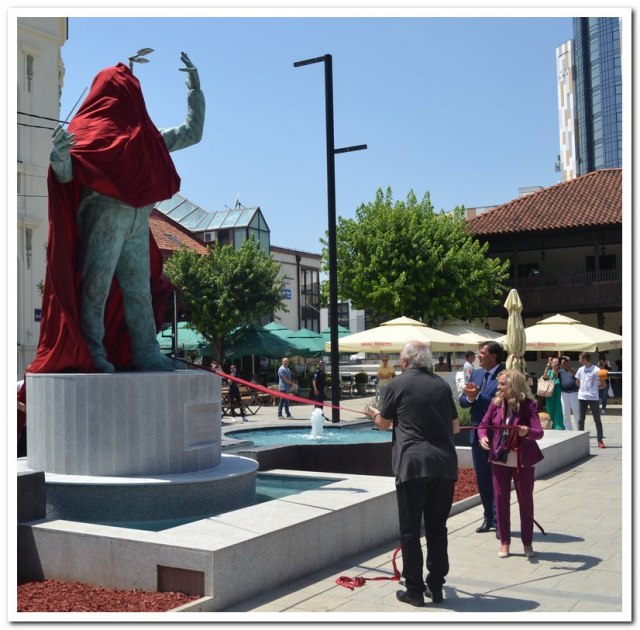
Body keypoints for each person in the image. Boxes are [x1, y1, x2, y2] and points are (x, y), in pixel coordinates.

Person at [34, 52, 204, 374]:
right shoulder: (88, 132)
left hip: (138, 221)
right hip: (104, 216)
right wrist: (59, 156)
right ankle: (93, 351)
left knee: (138, 291)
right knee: (96, 287)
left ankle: (146, 353)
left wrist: (194, 90)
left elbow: (192, 132)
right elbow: (66, 176)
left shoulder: (147, 138)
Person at [366, 341, 459, 607]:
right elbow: (455, 427)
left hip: (413, 464)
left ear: (405, 361)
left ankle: (415, 590)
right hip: (444, 465)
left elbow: (383, 424)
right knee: (437, 528)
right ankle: (436, 586)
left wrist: (374, 414)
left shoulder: (397, 384)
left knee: (410, 530)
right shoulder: (441, 385)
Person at [478, 369, 544, 559]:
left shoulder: (529, 405)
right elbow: (483, 425)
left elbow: (539, 432)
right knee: (500, 500)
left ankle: (527, 542)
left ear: (514, 386)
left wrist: (526, 431)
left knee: (525, 501)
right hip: (500, 458)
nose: (498, 387)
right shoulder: (496, 403)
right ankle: (504, 541)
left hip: (523, 460)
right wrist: (483, 437)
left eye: (502, 384)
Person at [459, 341, 505, 534]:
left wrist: (478, 396)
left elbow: (500, 403)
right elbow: (463, 401)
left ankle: (500, 521)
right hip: (476, 434)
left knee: (498, 480)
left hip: (496, 436)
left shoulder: (505, 375)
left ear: (493, 356)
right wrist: (470, 398)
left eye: (483, 353)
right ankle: (488, 518)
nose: (478, 356)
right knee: (483, 480)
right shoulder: (476, 374)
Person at [575, 352, 605, 448]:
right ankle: (580, 441)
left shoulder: (597, 369)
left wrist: (594, 389)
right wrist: (583, 390)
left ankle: (600, 440)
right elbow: (577, 382)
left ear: (584, 359)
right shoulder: (580, 369)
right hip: (581, 397)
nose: (579, 360)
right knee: (580, 420)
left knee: (597, 419)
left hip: (593, 398)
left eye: (580, 358)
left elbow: (603, 384)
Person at [558, 356, 579, 430]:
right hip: (564, 394)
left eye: (566, 361)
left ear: (569, 362)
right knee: (565, 414)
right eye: (563, 362)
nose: (564, 363)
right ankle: (568, 430)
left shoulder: (574, 369)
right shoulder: (560, 371)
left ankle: (580, 429)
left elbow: (575, 374)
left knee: (576, 413)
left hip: (574, 393)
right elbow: (554, 375)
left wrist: (568, 367)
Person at [543, 357, 564, 430]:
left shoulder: (561, 372)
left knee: (558, 410)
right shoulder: (549, 372)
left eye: (557, 362)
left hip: (558, 394)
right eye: (554, 362)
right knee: (550, 410)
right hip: (550, 395)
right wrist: (547, 365)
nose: (556, 363)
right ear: (551, 364)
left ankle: (558, 427)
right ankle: (550, 426)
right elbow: (545, 376)